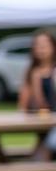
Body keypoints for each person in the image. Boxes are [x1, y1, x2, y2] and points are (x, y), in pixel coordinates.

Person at [17, 30, 56, 159]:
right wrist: (35, 84)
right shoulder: (31, 73)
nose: (41, 49)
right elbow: (26, 106)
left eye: (45, 44)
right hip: (42, 125)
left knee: (45, 149)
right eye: (38, 45)